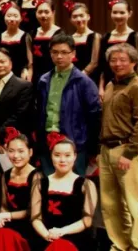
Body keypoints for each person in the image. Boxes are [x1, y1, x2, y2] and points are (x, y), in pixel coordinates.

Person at [98, 43, 138, 251]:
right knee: (110, 203)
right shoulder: (111, 85)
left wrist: (129, 153)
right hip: (107, 149)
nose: (118, 64)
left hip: (128, 150)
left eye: (123, 60)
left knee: (135, 203)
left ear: (133, 62)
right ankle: (121, 245)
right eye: (113, 60)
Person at [37, 34, 100, 175]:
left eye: (64, 52)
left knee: (74, 185)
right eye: (55, 52)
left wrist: (93, 149)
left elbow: (94, 117)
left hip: (74, 143)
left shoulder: (84, 82)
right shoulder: (44, 80)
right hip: (47, 142)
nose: (59, 56)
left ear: (73, 54)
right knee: (49, 183)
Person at [32, 136, 98, 251]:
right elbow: (36, 218)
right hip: (47, 237)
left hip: (74, 240)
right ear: (51, 156)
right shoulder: (40, 183)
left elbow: (87, 221)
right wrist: (47, 235)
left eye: (67, 155)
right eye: (57, 155)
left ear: (75, 156)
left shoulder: (86, 185)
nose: (62, 160)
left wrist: (62, 231)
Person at [0, 48, 34, 169]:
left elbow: (20, 115)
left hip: (16, 142)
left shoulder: (24, 86)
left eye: (2, 61)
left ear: (10, 63)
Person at [0, 131, 41, 251]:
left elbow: (32, 211)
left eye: (21, 151)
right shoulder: (5, 175)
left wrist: (4, 215)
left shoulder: (37, 176)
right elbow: (4, 206)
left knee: (6, 235)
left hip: (30, 225)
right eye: (11, 151)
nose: (16, 156)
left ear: (30, 152)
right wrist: (0, 218)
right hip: (9, 223)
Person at [98, 0, 138, 95]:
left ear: (129, 13)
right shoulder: (106, 37)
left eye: (122, 13)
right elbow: (103, 65)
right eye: (115, 12)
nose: (118, 16)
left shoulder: (135, 36)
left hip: (130, 83)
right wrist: (101, 87)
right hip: (110, 83)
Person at [0, 4, 34, 81]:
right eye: (9, 16)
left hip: (21, 76)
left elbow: (30, 63)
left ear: (21, 18)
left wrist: (28, 79)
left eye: (15, 16)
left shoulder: (26, 36)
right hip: (2, 75)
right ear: (4, 17)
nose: (12, 19)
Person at [66, 2, 100, 83]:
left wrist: (81, 75)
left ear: (88, 17)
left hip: (90, 78)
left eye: (81, 16)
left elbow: (94, 62)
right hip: (71, 77)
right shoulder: (69, 38)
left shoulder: (95, 36)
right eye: (75, 17)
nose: (78, 19)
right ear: (70, 19)